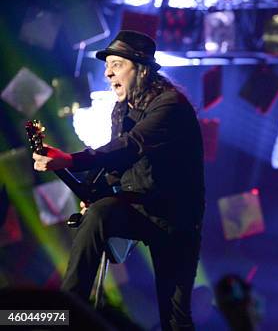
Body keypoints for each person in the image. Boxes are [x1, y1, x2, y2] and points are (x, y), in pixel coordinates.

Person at [32, 30, 206, 331]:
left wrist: (71, 159)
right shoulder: (121, 109)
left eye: (116, 64)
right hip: (137, 206)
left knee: (175, 319)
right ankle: (66, 310)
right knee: (100, 214)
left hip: (175, 220)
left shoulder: (170, 106)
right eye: (106, 66)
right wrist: (95, 194)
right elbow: (116, 167)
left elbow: (132, 145)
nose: (108, 72)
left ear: (141, 68)